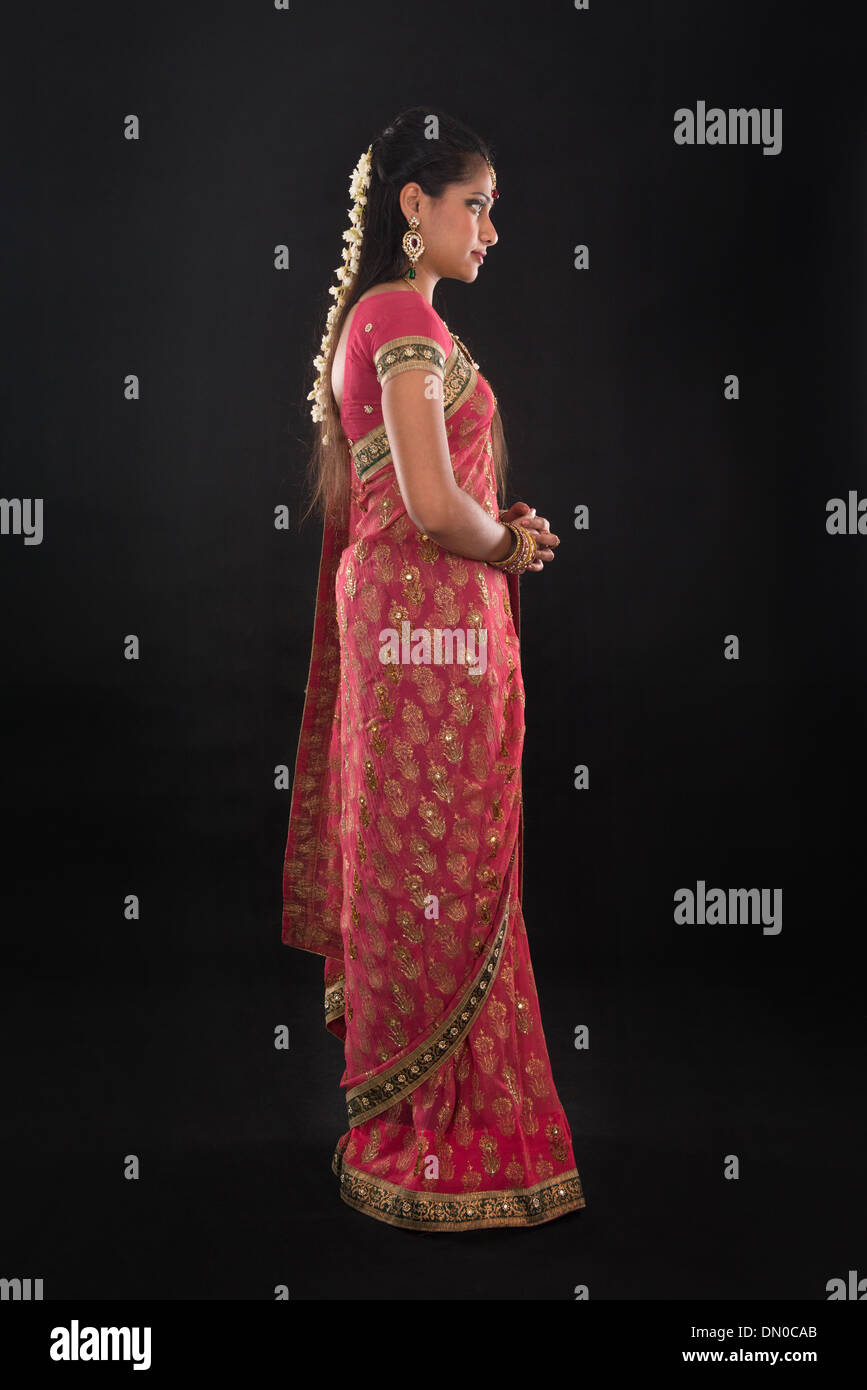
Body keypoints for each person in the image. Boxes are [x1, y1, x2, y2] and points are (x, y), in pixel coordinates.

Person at [281, 108, 586, 1231]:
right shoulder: (398, 312)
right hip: (427, 640)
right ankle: (429, 1130)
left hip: (422, 629)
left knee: (441, 863)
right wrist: (507, 542)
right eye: (477, 203)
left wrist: (490, 525)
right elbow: (421, 504)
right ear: (415, 207)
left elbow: (422, 496)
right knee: (439, 869)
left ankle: (435, 1116)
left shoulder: (392, 320)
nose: (492, 229)